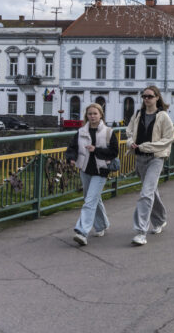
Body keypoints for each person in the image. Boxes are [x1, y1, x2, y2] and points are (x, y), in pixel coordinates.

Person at [125, 86, 174, 246]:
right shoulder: (138, 115)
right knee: (151, 191)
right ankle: (160, 220)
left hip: (156, 158)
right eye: (144, 96)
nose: (146, 99)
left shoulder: (163, 117)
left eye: (150, 96)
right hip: (140, 158)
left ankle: (140, 232)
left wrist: (147, 146)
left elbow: (168, 138)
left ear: (157, 98)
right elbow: (129, 133)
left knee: (145, 193)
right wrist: (131, 143)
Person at [66, 103, 118, 246]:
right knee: (93, 198)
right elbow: (72, 147)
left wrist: (96, 150)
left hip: (100, 171)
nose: (92, 116)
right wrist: (71, 158)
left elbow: (114, 152)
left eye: (95, 113)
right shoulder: (81, 131)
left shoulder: (108, 132)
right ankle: (102, 225)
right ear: (86, 116)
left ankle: (82, 231)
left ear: (101, 115)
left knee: (89, 201)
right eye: (90, 114)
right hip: (85, 169)